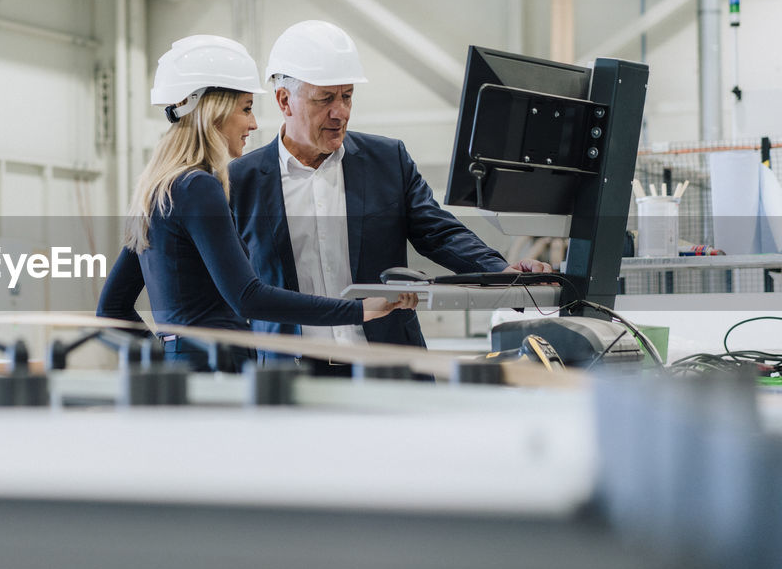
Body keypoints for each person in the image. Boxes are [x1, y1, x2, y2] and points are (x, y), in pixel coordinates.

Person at [95, 34, 417, 371]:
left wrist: (163, 359)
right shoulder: (199, 186)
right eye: (246, 108)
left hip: (189, 371)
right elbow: (248, 297)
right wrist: (361, 308)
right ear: (213, 112)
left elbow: (111, 310)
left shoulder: (159, 189)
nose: (253, 123)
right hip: (218, 371)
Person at [228, 20, 551, 352]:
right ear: (284, 101)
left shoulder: (387, 160)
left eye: (347, 96)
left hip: (387, 362)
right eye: (325, 99)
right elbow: (232, 290)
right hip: (290, 374)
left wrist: (501, 271)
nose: (340, 112)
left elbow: (440, 233)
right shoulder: (241, 181)